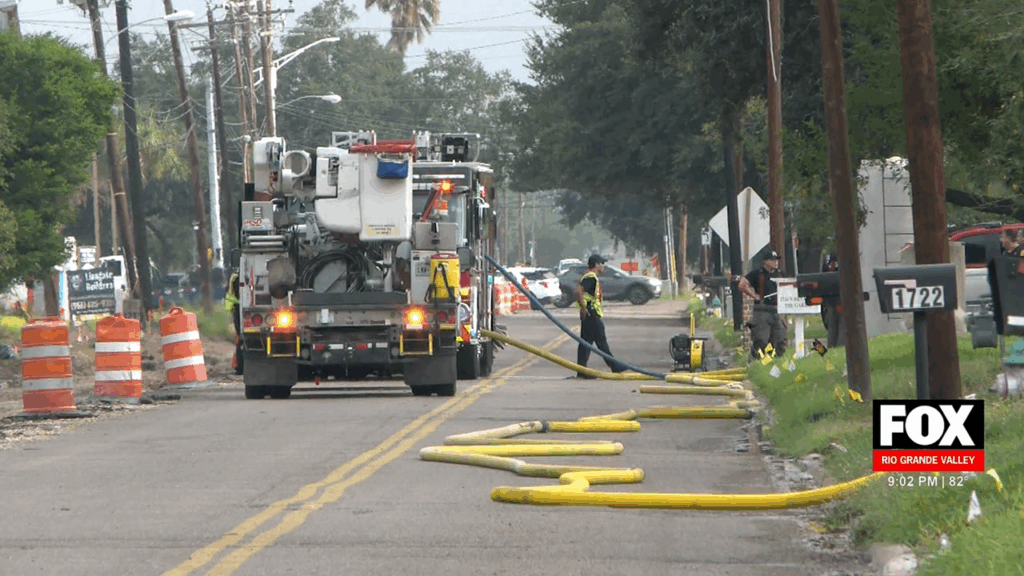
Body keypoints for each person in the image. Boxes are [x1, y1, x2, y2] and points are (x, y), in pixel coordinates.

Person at [573, 255, 627, 378]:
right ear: (596, 265)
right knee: (601, 342)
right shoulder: (590, 277)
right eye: (602, 263)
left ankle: (581, 371)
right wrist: (583, 307)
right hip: (591, 313)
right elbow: (578, 291)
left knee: (586, 343)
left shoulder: (590, 276)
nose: (604, 266)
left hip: (590, 313)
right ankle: (614, 367)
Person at [737, 249, 787, 359]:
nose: (775, 262)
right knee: (760, 340)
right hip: (762, 311)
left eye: (776, 260)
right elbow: (742, 285)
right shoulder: (757, 273)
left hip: (777, 310)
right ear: (765, 261)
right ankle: (758, 363)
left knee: (780, 340)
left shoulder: (780, 274)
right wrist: (754, 296)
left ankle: (777, 362)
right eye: (772, 260)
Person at [226, 269, 241, 373]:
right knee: (241, 338)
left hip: (237, 307)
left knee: (241, 338)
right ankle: (239, 365)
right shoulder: (236, 278)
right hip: (239, 307)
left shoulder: (234, 277)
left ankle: (239, 365)